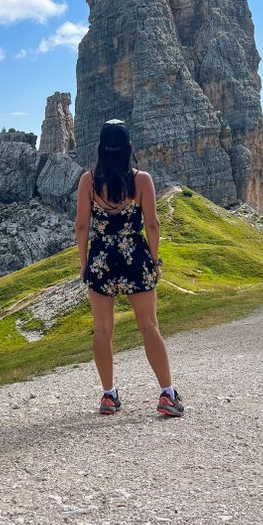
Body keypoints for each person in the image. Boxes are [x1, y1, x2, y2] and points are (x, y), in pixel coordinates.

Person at [75, 118, 184, 418]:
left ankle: (108, 396)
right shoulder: (142, 180)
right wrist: (155, 259)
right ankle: (167, 394)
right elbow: (152, 223)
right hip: (135, 256)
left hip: (101, 258)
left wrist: (85, 263)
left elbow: (82, 225)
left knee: (102, 330)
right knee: (149, 326)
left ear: (100, 148)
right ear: (128, 148)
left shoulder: (88, 181)